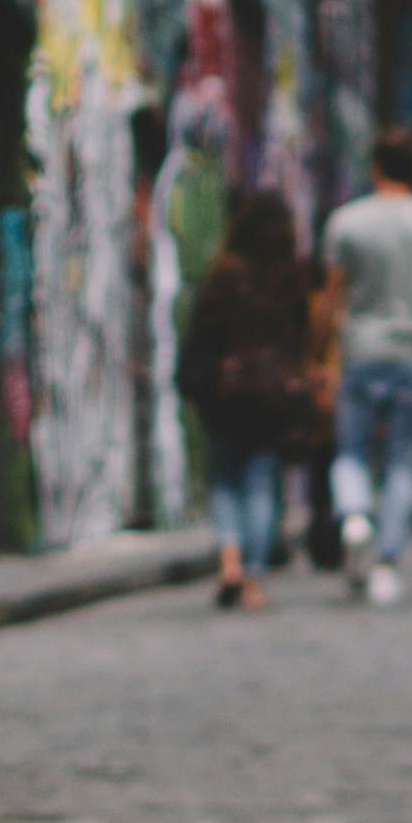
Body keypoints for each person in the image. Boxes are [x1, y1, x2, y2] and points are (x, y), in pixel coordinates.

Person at [316, 129, 412, 605]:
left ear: (376, 167)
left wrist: (322, 352)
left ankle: (355, 513)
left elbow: (331, 295)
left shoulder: (347, 222)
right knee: (404, 460)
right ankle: (386, 558)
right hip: (408, 351)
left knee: (351, 451)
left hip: (359, 350)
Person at [176, 191, 324, 609]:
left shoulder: (225, 273)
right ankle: (253, 579)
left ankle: (229, 558)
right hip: (274, 394)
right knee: (261, 485)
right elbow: (305, 336)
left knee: (225, 480)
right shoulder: (293, 277)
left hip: (227, 391)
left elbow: (203, 333)